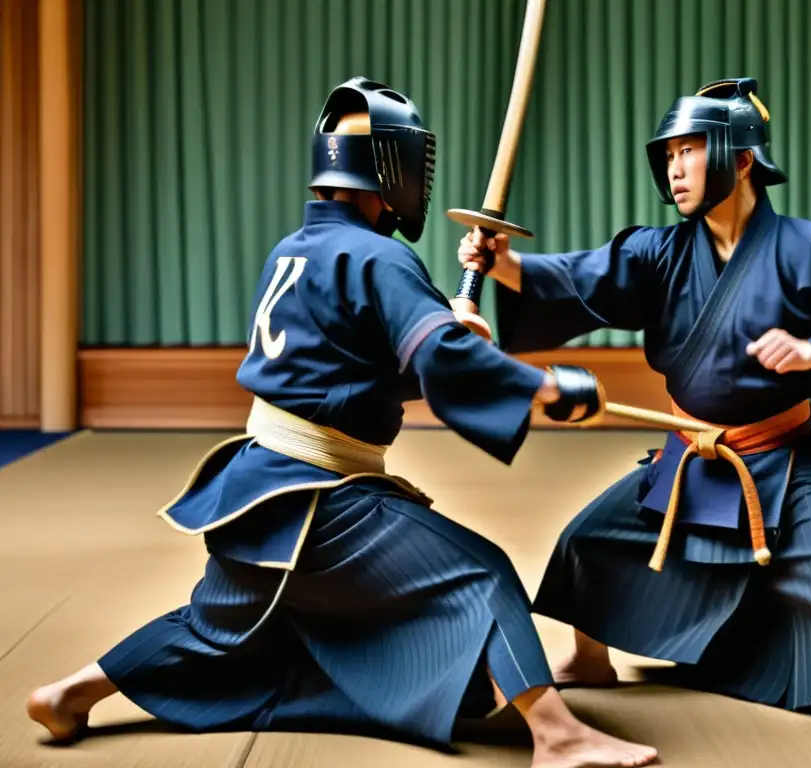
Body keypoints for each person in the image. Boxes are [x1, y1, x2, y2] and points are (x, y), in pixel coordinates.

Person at [27, 77, 659, 768]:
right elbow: (437, 354)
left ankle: (70, 693)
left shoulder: (292, 249)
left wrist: (452, 337)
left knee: (216, 626)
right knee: (481, 571)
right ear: (390, 167)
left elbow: (349, 372)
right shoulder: (380, 256)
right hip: (320, 497)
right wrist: (546, 387)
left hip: (255, 487)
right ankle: (559, 736)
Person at [457, 77, 811, 753]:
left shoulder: (809, 250)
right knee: (586, 541)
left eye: (690, 151)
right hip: (694, 456)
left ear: (741, 160)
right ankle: (590, 659)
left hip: (790, 459)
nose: (675, 168)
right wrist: (503, 264)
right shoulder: (661, 253)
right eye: (669, 155)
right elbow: (576, 278)